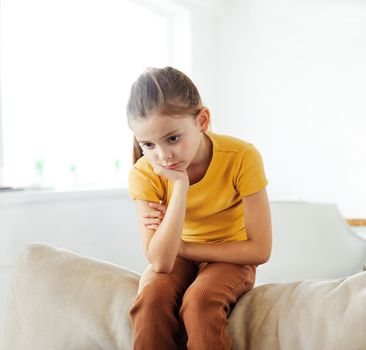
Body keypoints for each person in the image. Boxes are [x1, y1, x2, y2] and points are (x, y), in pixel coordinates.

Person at [127, 66, 272, 350]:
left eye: (173, 138)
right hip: (176, 256)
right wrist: (179, 186)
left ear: (203, 120)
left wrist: (182, 247)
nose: (163, 155)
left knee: (199, 303)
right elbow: (161, 262)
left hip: (230, 256)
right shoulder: (144, 173)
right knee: (151, 300)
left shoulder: (242, 157)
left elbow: (260, 250)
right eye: (148, 144)